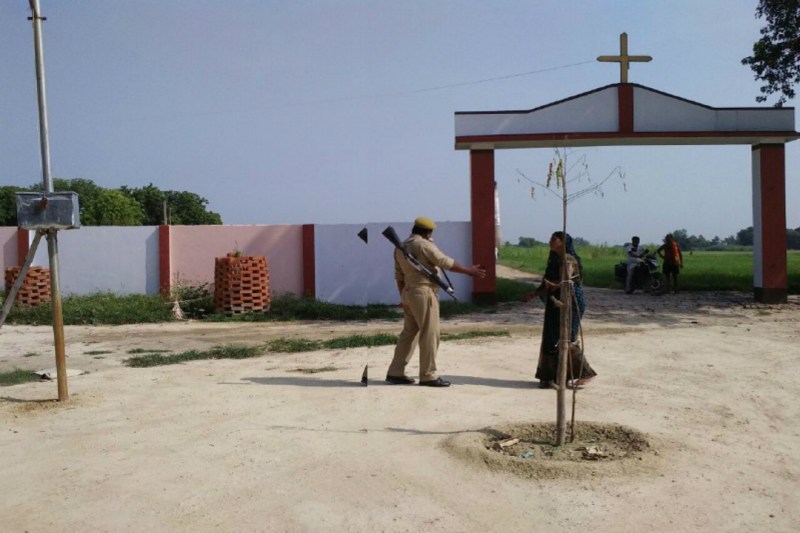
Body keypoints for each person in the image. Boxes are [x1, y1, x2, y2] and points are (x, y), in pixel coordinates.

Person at [386, 216, 486, 388]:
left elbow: (399, 276)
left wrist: (404, 297)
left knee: (409, 334)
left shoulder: (400, 247)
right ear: (428, 232)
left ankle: (395, 372)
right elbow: (444, 262)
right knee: (430, 334)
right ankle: (428, 376)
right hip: (424, 293)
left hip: (409, 292)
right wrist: (469, 271)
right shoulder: (423, 245)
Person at [522, 232, 597, 389]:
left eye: (554, 239)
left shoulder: (569, 259)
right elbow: (546, 282)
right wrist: (534, 293)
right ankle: (550, 376)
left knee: (566, 338)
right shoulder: (554, 259)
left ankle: (585, 373)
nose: (550, 241)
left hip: (570, 302)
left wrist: (555, 285)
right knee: (551, 337)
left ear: (563, 242)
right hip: (554, 302)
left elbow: (568, 282)